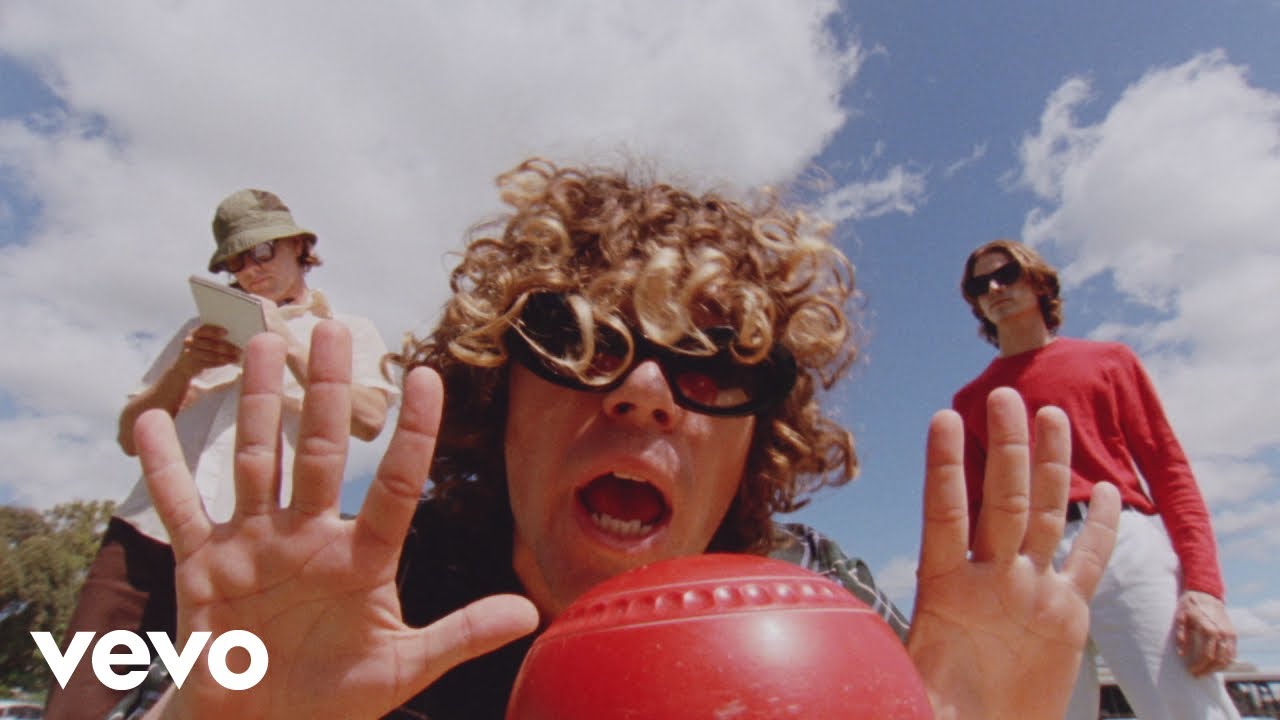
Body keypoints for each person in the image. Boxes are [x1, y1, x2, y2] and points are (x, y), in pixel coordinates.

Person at [121, 160, 1120, 720]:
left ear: (755, 438)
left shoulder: (820, 600)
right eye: (576, 342)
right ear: (497, 393)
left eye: (715, 365)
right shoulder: (364, 602)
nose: (644, 394)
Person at [45, 189, 400, 720]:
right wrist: (184, 370)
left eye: (262, 251)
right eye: (235, 261)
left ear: (299, 246)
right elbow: (129, 436)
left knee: (222, 706)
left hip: (253, 551)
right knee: (75, 703)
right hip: (145, 538)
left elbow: (369, 419)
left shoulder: (347, 331)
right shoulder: (197, 333)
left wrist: (286, 344)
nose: (250, 269)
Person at [952, 238, 1240, 720]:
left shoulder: (1109, 361)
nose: (994, 289)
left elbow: (1169, 471)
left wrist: (1206, 587)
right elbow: (976, 514)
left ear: (1039, 283)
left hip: (1120, 542)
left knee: (1186, 708)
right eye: (980, 285)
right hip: (1027, 565)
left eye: (1007, 275)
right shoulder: (970, 401)